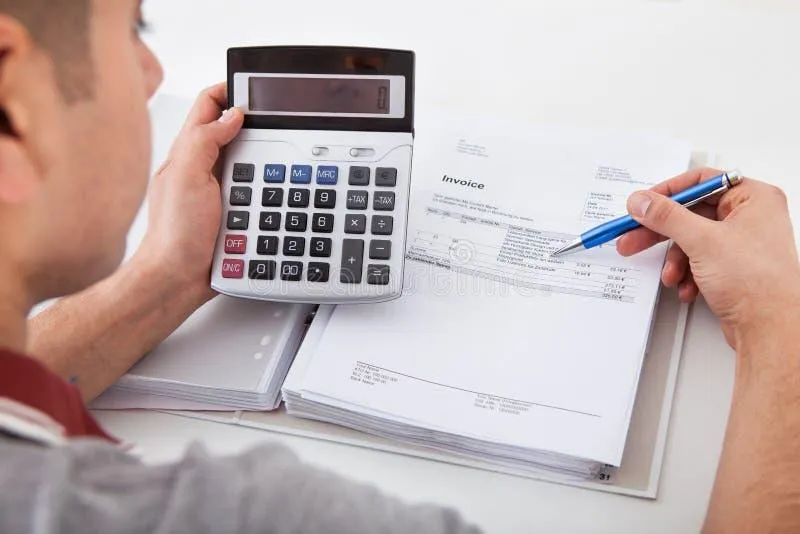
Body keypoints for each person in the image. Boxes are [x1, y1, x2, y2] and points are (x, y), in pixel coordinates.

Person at [0, 1, 797, 533]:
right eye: (135, 29)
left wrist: (169, 276)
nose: (151, 78)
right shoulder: (246, 514)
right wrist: (778, 328)